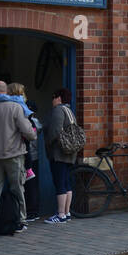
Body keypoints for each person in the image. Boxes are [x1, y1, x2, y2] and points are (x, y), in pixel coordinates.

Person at [0, 80, 37, 236]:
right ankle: (20, 221)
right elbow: (28, 132)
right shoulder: (15, 108)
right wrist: (33, 133)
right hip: (14, 155)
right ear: (6, 92)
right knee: (17, 188)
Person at [8, 82, 43, 222]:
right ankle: (29, 212)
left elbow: (31, 134)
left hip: (26, 155)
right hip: (27, 154)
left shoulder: (24, 113)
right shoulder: (23, 110)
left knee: (27, 185)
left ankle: (30, 212)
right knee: (27, 184)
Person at [45, 86, 77, 224]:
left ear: (58, 98)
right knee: (66, 183)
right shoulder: (69, 110)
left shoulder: (58, 110)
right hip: (70, 152)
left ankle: (60, 214)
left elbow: (55, 132)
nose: (52, 100)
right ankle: (67, 212)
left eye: (53, 97)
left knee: (60, 183)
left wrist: (48, 142)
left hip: (59, 153)